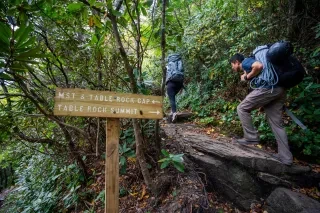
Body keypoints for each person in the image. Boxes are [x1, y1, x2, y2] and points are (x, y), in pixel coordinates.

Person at [229, 53, 293, 166]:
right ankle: (286, 157)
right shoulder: (249, 65)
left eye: (232, 65)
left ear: (236, 62)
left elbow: (258, 66)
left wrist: (247, 77)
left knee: (241, 108)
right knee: (276, 124)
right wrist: (247, 74)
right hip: (279, 89)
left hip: (269, 88)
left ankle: (250, 137)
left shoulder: (246, 62)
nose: (232, 68)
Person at [166, 53, 184, 122]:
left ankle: (174, 113)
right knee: (172, 97)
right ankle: (173, 111)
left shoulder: (168, 65)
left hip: (170, 83)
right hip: (179, 83)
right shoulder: (179, 62)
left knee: (171, 98)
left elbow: (166, 76)